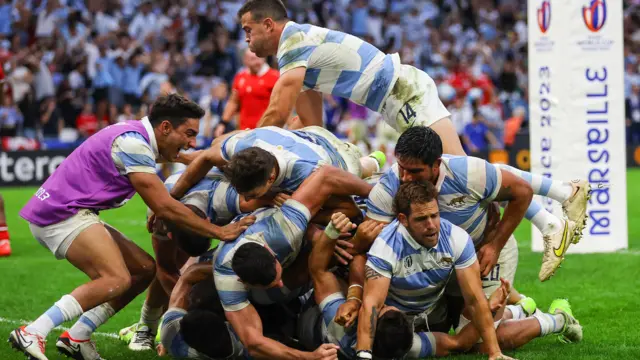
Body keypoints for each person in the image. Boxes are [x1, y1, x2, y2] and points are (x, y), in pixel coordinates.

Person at [9, 94, 255, 360]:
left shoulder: (135, 135)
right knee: (115, 278)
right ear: (165, 128)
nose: (192, 141)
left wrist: (195, 159)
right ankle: (33, 331)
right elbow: (164, 206)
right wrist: (219, 232)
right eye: (189, 133)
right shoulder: (133, 144)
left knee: (143, 269)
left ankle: (77, 336)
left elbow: (162, 167)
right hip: (61, 214)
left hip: (68, 209)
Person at [236, 0, 466, 156]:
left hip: (404, 92)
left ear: (268, 25)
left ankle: (499, 199)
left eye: (248, 30)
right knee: (450, 171)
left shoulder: (292, 43)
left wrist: (246, 150)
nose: (246, 39)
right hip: (394, 100)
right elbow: (311, 125)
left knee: (456, 168)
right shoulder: (298, 62)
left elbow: (278, 111)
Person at [365, 126, 590, 281]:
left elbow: (521, 191)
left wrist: (494, 246)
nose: (404, 177)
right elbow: (375, 247)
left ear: (435, 166)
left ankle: (559, 206)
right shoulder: (389, 186)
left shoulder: (467, 172)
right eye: (401, 168)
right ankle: (559, 203)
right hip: (437, 265)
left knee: (479, 337)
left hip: (480, 250)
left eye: (414, 171)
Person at [213, 161, 373, 360]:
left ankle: (368, 165)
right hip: (271, 283)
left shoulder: (283, 230)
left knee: (348, 214)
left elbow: (325, 176)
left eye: (277, 276)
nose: (279, 283)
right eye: (273, 283)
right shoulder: (226, 280)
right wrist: (309, 357)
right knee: (280, 289)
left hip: (295, 219)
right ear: (243, 283)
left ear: (270, 252)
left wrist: (377, 197)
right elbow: (254, 343)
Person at [120, 167, 278, 351]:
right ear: (170, 235)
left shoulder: (233, 201)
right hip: (177, 203)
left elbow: (209, 157)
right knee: (170, 266)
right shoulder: (161, 219)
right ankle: (146, 326)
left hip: (220, 198)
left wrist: (278, 197)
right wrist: (183, 310)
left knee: (236, 263)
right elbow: (165, 268)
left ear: (210, 224)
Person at [355, 182, 511, 360]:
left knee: (473, 344)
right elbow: (371, 306)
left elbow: (474, 299)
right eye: (421, 219)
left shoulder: (456, 238)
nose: (431, 225)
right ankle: (514, 309)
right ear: (403, 219)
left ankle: (532, 315)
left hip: (435, 315)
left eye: (434, 215)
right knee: (386, 352)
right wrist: (363, 355)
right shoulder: (386, 247)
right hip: (395, 325)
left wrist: (495, 353)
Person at [169, 125, 383, 202]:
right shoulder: (243, 145)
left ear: (271, 178)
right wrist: (172, 199)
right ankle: (186, 156)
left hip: (342, 157)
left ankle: (375, 160)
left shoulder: (308, 174)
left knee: (363, 169)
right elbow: (207, 158)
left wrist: (279, 198)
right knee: (217, 144)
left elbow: (341, 207)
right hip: (308, 134)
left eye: (251, 195)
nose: (245, 199)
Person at [215, 49, 280, 137]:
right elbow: (233, 102)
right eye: (252, 59)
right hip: (244, 131)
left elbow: (281, 105)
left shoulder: (274, 77)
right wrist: (223, 123)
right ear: (245, 60)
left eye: (259, 58)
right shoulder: (240, 77)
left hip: (266, 132)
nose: (257, 62)